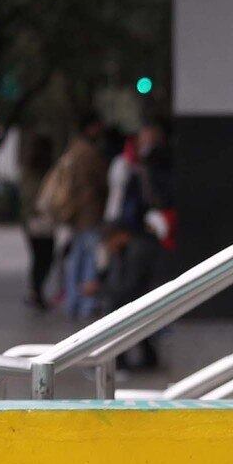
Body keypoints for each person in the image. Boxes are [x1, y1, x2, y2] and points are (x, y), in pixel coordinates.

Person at [42, 112, 109, 319]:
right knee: (89, 260)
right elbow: (100, 182)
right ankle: (85, 304)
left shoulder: (72, 150)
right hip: (88, 213)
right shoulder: (88, 153)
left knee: (76, 259)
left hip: (74, 214)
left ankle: (73, 302)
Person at [85, 220, 166, 370]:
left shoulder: (136, 251)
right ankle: (129, 358)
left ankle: (118, 358)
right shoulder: (125, 250)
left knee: (116, 311)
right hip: (138, 296)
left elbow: (129, 286)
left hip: (144, 296)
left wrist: (99, 289)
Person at [19, 132, 57, 310]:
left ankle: (36, 291)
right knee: (45, 257)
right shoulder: (48, 172)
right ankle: (37, 291)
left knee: (38, 258)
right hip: (42, 219)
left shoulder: (27, 172)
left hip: (31, 221)